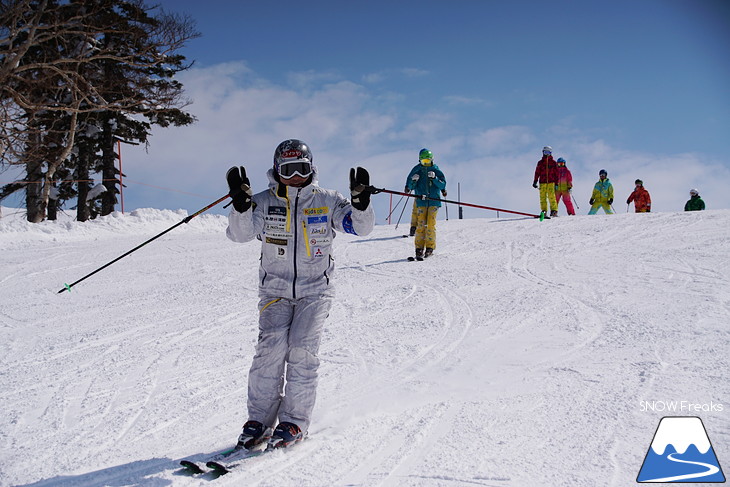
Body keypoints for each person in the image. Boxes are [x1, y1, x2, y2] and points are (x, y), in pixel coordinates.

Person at [225, 139, 375, 450]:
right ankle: (259, 422)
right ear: (276, 170)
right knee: (269, 353)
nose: (295, 176)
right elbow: (240, 235)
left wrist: (361, 205)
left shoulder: (327, 200)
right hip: (275, 291)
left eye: (301, 169)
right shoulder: (264, 202)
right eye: (288, 169)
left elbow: (359, 228)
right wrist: (241, 206)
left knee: (302, 351)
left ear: (311, 169)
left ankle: (293, 421)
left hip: (315, 291)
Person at [405, 148, 446, 259]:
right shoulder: (417, 170)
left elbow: (442, 185)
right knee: (421, 225)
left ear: (432, 160)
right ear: (420, 161)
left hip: (434, 201)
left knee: (430, 224)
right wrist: (413, 181)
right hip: (421, 201)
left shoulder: (435, 169)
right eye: (424, 162)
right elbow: (410, 187)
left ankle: (430, 247)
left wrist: (435, 179)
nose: (426, 164)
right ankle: (419, 248)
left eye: (428, 161)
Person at [532, 146, 559, 217]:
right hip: (542, 182)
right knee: (542, 197)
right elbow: (537, 172)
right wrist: (535, 181)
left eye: (548, 152)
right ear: (543, 152)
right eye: (545, 152)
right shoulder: (540, 163)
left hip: (551, 182)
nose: (546, 154)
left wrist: (556, 183)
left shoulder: (553, 163)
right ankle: (544, 210)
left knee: (551, 196)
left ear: (551, 153)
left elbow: (557, 174)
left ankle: (554, 210)